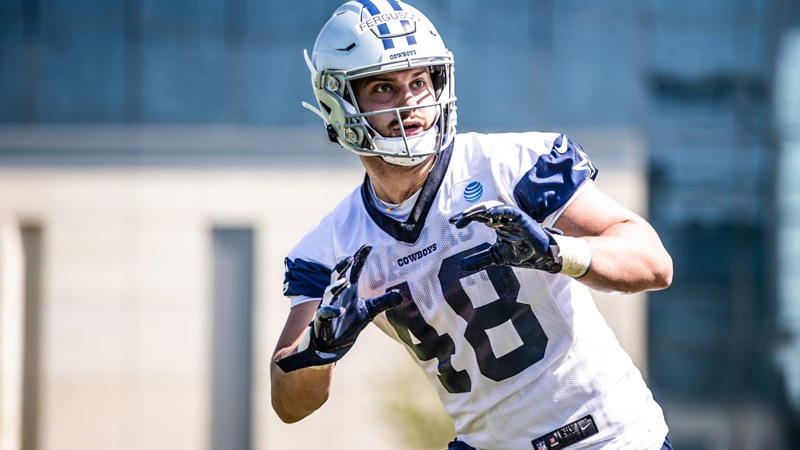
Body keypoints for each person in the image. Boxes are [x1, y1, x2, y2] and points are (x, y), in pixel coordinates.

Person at [271, 1, 674, 449]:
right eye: (384, 87)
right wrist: (319, 351)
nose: (410, 102)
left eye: (420, 82)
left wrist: (559, 253)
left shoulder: (511, 167)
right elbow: (288, 404)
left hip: (609, 437)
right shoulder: (332, 247)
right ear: (339, 102)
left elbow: (654, 264)